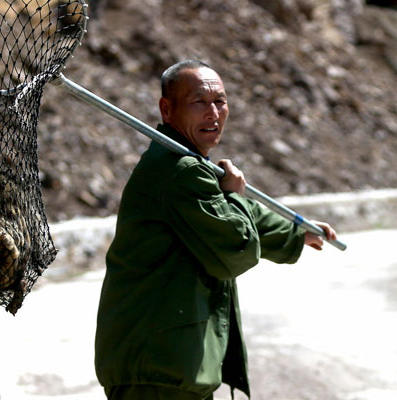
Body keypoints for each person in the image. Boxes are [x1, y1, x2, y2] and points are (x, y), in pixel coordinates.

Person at [94, 60, 337, 400]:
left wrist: (297, 233)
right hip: (158, 370)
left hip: (166, 365)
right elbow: (235, 246)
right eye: (198, 102)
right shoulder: (180, 172)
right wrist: (235, 194)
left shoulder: (188, 166)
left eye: (219, 101)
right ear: (168, 109)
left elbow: (232, 212)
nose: (213, 113)